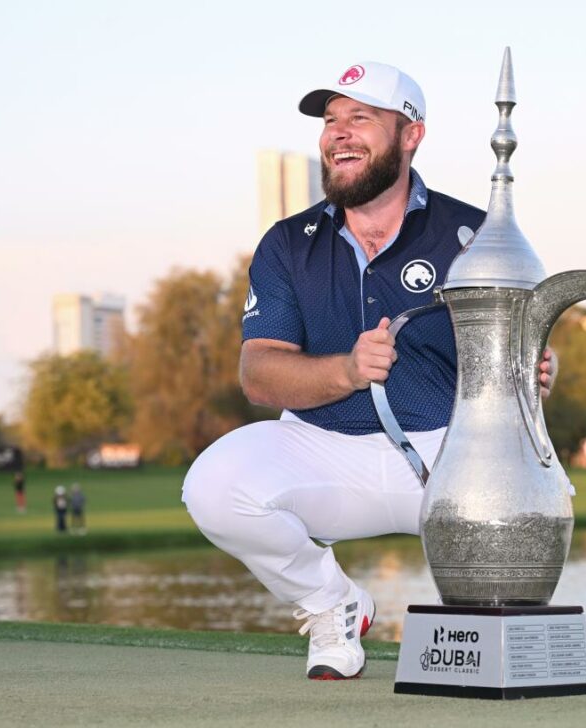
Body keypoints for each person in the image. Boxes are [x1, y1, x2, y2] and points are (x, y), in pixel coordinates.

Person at [182, 61, 558, 681]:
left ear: (411, 135)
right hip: (320, 448)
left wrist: (539, 366)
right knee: (214, 486)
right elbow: (259, 374)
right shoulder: (287, 241)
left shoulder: (475, 234)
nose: (340, 133)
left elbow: (521, 346)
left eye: (361, 117)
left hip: (449, 451)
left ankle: (489, 649)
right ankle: (334, 607)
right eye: (331, 121)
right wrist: (349, 370)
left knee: (535, 506)